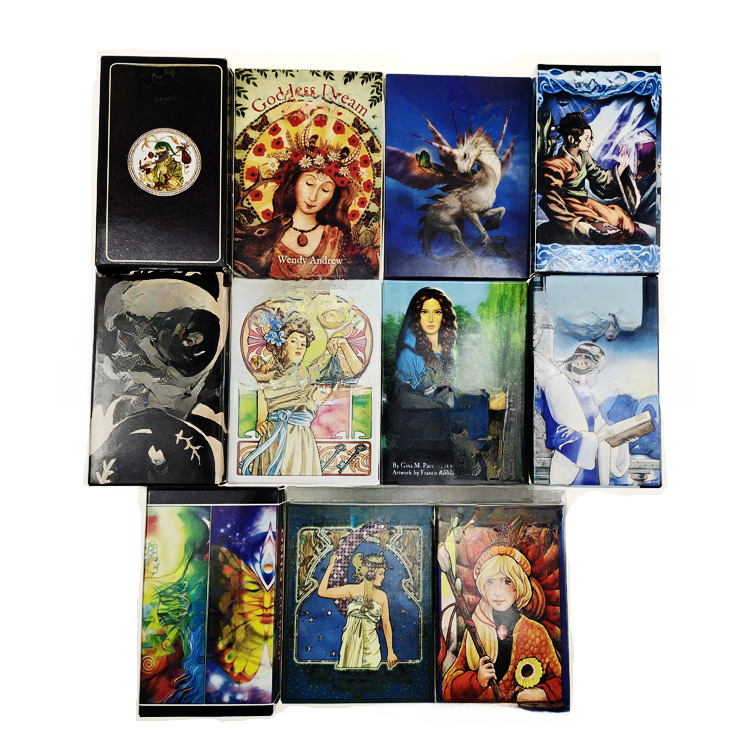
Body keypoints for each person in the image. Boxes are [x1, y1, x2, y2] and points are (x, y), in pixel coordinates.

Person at [234, 124, 379, 279]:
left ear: (332, 198)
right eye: (309, 183)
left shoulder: (337, 239)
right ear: (292, 186)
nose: (313, 196)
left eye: (325, 190)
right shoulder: (266, 238)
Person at [244, 311, 362, 476]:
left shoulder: (311, 373)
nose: (300, 346)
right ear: (281, 344)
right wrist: (260, 421)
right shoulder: (267, 375)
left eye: (303, 343)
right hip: (271, 437)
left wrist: (343, 344)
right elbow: (262, 395)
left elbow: (356, 370)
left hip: (299, 438)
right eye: (294, 341)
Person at [442, 545, 562, 703]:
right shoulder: (475, 629)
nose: (498, 592)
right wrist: (476, 681)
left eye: (506, 582)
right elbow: (448, 689)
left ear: (519, 586)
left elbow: (561, 682)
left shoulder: (535, 632)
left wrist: (540, 693)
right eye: (490, 582)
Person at [391, 287, 491, 473]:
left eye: (436, 312)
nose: (430, 319)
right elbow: (404, 397)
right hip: (424, 412)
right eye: (425, 312)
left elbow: (448, 383)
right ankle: (471, 452)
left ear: (444, 315)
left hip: (443, 401)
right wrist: (438, 400)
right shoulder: (409, 353)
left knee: (481, 397)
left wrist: (451, 393)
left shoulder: (447, 350)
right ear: (417, 316)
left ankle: (476, 447)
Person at [537, 111, 649, 245]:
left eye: (591, 138)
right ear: (572, 139)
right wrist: (576, 224)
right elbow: (552, 198)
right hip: (568, 204)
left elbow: (600, 177)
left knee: (618, 215)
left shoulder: (585, 157)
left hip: (585, 202)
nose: (590, 142)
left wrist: (621, 167)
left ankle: (640, 238)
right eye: (586, 138)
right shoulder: (556, 164)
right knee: (600, 224)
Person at [536, 342, 630, 485]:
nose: (581, 362)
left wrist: (620, 436)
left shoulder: (585, 389)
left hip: (592, 456)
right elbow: (567, 422)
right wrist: (593, 439)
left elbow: (598, 422)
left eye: (586, 361)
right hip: (570, 455)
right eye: (579, 358)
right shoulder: (558, 383)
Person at [317, 551, 398, 670]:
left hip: (371, 644)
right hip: (351, 643)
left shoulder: (382, 596)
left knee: (371, 674)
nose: (383, 577)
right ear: (370, 573)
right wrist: (330, 566)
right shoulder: (351, 589)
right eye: (380, 573)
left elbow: (386, 625)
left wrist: (390, 652)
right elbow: (322, 592)